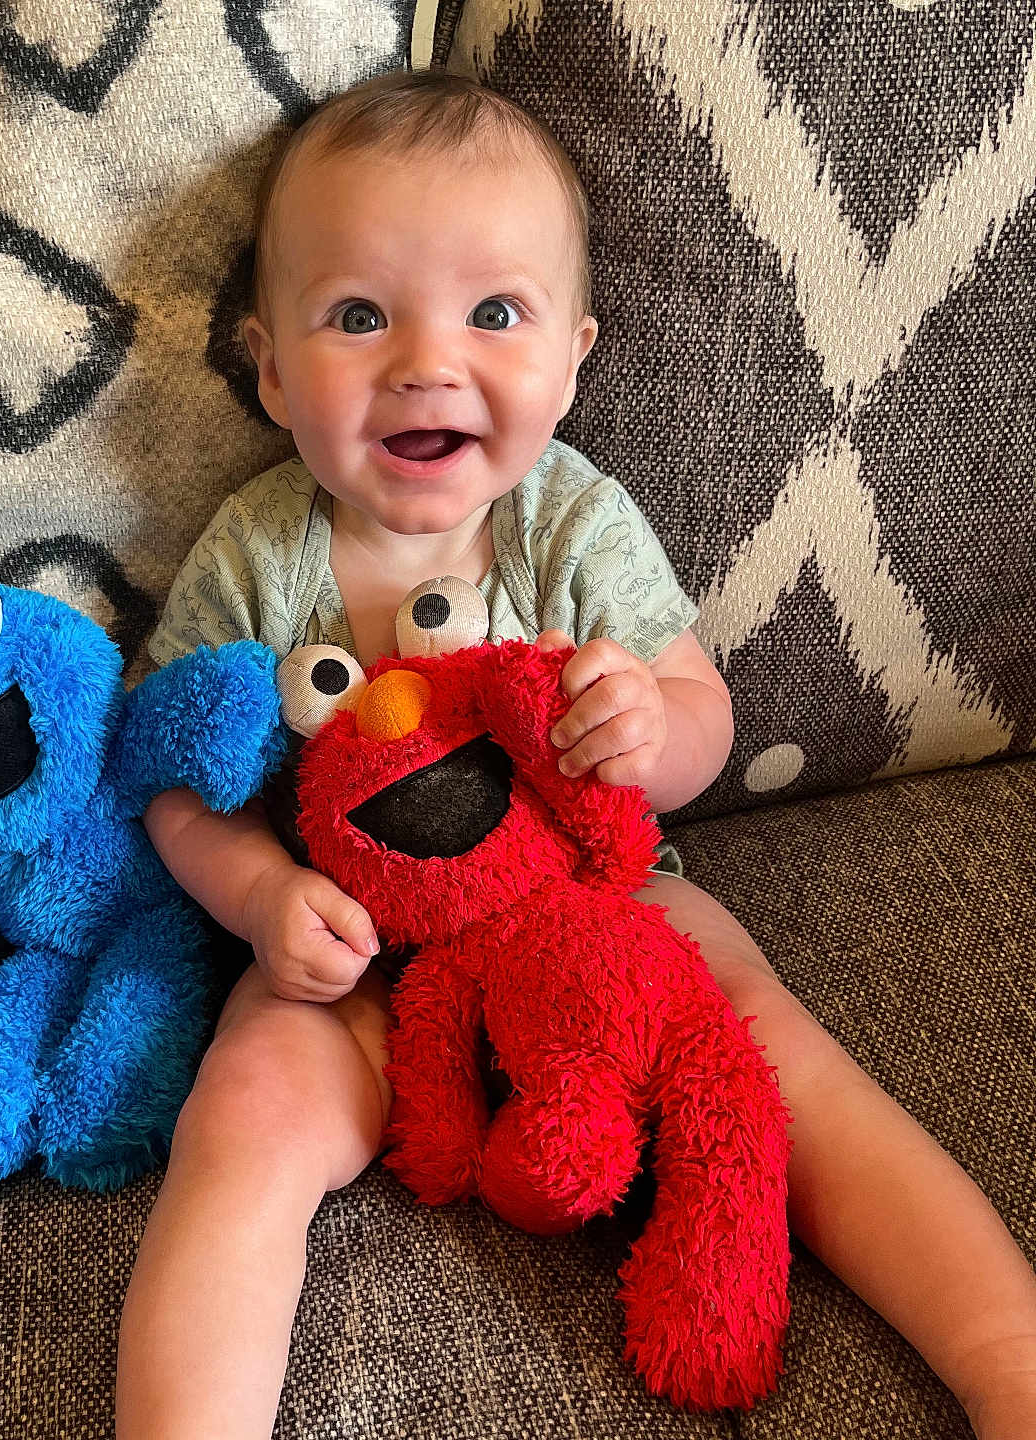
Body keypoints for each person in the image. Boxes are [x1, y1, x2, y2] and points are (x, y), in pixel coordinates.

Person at [115, 68, 1036, 1440]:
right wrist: (257, 896)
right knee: (241, 1114)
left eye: (494, 314)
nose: (429, 362)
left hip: (603, 916)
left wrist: (651, 731)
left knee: (782, 1055)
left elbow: (694, 709)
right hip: (365, 955)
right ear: (265, 364)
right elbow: (177, 778)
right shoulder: (258, 547)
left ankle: (1005, 1353)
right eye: (359, 316)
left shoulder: (573, 521)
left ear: (573, 355)